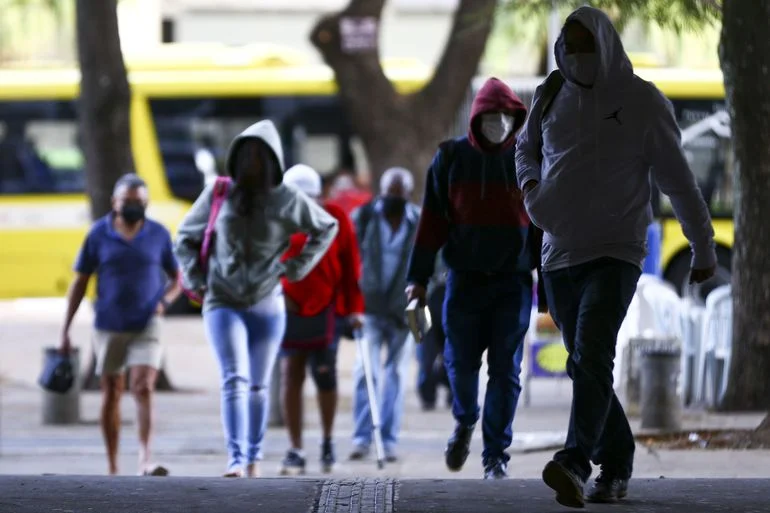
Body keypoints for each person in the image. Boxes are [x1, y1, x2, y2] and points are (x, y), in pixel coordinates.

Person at [515, 7, 717, 507]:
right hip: (559, 252)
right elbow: (525, 149)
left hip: (617, 250)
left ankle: (575, 462)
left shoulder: (642, 102)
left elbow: (679, 182)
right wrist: (531, 188)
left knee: (594, 350)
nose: (576, 54)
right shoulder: (549, 94)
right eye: (569, 44)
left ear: (605, 44)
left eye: (585, 44)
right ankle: (619, 460)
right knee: (585, 363)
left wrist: (703, 245)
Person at [174, 121, 339, 478]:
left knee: (260, 385)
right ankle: (235, 459)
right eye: (245, 155)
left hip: (268, 301)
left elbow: (326, 227)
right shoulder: (220, 193)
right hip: (222, 300)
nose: (251, 163)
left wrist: (295, 268)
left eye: (259, 156)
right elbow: (184, 237)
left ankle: (253, 457)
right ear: (234, 158)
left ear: (273, 161)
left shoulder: (287, 198)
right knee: (235, 378)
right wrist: (197, 279)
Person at [406, 77, 534, 479]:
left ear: (515, 118)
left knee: (506, 371)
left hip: (512, 285)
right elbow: (431, 224)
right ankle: (465, 422)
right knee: (459, 363)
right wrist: (418, 280)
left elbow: (546, 227)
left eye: (505, 117)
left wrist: (550, 288)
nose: (498, 123)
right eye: (490, 117)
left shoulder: (529, 159)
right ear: (476, 119)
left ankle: (495, 456)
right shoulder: (450, 160)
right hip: (463, 282)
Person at [59, 173, 181, 476]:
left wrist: (163, 302)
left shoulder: (159, 234)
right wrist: (66, 329)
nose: (134, 207)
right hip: (109, 324)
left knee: (143, 386)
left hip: (147, 323)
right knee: (112, 390)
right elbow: (80, 281)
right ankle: (113, 465)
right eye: (128, 202)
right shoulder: (98, 234)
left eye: (139, 202)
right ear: (115, 202)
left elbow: (179, 277)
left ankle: (145, 460)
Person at [278, 164, 365, 475]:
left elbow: (350, 263)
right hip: (288, 307)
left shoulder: (335, 218)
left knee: (325, 374)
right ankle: (295, 447)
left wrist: (355, 308)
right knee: (292, 373)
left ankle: (327, 442)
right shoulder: (279, 219)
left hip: (328, 307)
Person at [349, 167, 420, 463]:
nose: (394, 199)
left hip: (402, 312)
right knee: (366, 372)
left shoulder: (418, 221)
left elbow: (435, 258)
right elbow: (349, 258)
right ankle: (362, 438)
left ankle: (388, 439)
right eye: (389, 193)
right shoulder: (363, 218)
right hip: (369, 308)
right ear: (381, 191)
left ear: (407, 195)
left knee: (396, 374)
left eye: (399, 194)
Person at [415, 258, 452, 411]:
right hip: (428, 298)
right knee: (427, 353)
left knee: (455, 351)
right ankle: (428, 393)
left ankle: (453, 388)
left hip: (454, 296)